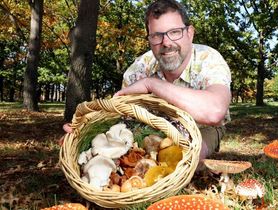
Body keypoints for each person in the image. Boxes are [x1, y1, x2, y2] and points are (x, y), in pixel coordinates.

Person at [64, 0, 231, 162]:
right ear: (149, 39)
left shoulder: (208, 59)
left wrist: (152, 84)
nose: (166, 43)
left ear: (190, 33)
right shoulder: (137, 70)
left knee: (186, 159)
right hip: (152, 131)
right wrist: (82, 135)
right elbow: (120, 122)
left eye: (175, 32)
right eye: (157, 35)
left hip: (202, 128)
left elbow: (215, 112)